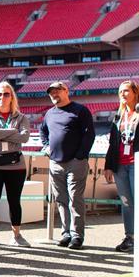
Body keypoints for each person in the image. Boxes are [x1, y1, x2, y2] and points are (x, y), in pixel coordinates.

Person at [103, 81, 139, 253]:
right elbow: (113, 143)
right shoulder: (118, 116)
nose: (123, 94)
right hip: (120, 165)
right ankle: (130, 237)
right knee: (127, 203)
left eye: (126, 91)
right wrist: (108, 166)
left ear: (136, 92)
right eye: (120, 91)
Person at [40, 81, 94, 250]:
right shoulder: (49, 114)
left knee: (75, 199)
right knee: (61, 200)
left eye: (57, 91)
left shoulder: (80, 110)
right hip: (56, 162)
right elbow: (43, 131)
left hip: (75, 163)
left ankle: (77, 236)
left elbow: (89, 134)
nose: (54, 94)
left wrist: (80, 156)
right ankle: (66, 233)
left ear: (66, 91)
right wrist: (46, 147)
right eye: (51, 93)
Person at [0, 82, 31, 247]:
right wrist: (13, 131)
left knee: (14, 201)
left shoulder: (22, 117)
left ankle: (16, 236)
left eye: (6, 94)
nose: (3, 97)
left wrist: (0, 133)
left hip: (16, 164)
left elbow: (24, 138)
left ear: (12, 97)